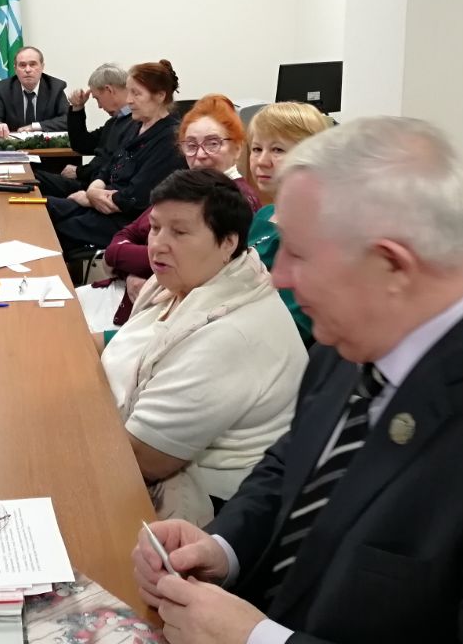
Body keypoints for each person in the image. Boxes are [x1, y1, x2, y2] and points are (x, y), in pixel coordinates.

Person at [134, 117, 463, 644]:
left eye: (300, 253)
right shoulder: (359, 330)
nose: (280, 273)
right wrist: (223, 547)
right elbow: (294, 464)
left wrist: (255, 640)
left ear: (392, 267)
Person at [102, 170, 303, 527]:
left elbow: (143, 459)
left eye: (179, 232)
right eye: (155, 228)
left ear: (227, 243)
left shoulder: (229, 335)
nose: (157, 245)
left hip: (210, 510)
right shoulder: (188, 281)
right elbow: (130, 342)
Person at [86, 95, 259, 332]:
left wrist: (120, 257)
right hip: (132, 297)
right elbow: (126, 235)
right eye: (191, 145)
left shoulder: (237, 201)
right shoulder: (185, 187)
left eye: (213, 144)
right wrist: (131, 270)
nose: (200, 155)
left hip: (160, 316)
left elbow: (183, 261)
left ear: (237, 148)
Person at [47, 60, 184, 252]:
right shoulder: (135, 126)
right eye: (129, 92)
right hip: (102, 203)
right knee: (45, 208)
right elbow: (108, 167)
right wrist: (93, 190)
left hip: (126, 221)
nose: (129, 100)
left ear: (160, 96)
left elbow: (135, 197)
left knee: (50, 229)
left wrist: (89, 197)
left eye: (136, 93)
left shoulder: (170, 138)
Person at [241, 102, 331, 345]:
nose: (262, 161)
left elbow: (294, 325)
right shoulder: (264, 215)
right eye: (256, 149)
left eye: (278, 150)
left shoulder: (314, 231)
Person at [37, 62, 133, 198]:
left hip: (99, 190)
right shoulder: (116, 120)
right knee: (34, 178)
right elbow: (82, 144)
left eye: (97, 98)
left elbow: (111, 162)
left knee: (36, 182)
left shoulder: (134, 122)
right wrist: (77, 108)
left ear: (109, 90)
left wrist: (79, 171)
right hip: (90, 183)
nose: (99, 106)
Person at [0, 46, 70, 137]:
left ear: (42, 67)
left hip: (47, 143)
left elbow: (67, 119)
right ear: (15, 69)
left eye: (33, 64)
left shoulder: (55, 88)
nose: (28, 70)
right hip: (14, 144)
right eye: (22, 65)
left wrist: (35, 127)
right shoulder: (4, 89)